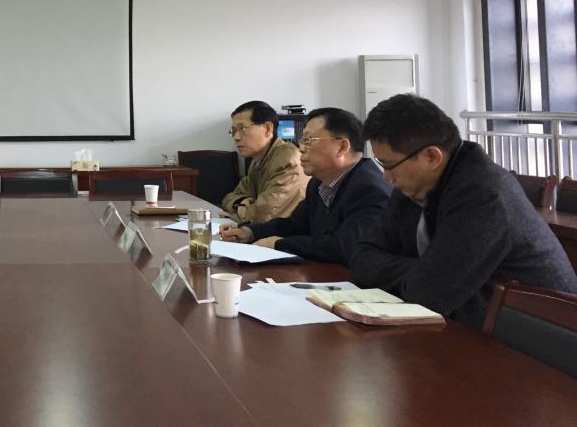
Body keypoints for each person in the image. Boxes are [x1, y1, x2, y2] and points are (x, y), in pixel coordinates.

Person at [352, 93, 577, 330]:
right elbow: (361, 258)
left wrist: (424, 274)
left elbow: (428, 294)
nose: (386, 177)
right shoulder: (412, 184)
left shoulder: (483, 194)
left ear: (431, 156)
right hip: (469, 323)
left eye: (389, 165)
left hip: (541, 337)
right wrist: (424, 268)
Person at [219, 107, 390, 265]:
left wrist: (279, 244)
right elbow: (294, 225)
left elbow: (344, 247)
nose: (300, 148)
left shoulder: (369, 188)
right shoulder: (318, 183)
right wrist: (249, 232)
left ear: (342, 147)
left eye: (309, 140)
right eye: (302, 140)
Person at [219, 100, 306, 224]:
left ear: (268, 129)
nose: (236, 137)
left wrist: (234, 213)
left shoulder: (288, 161)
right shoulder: (258, 160)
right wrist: (240, 202)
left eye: (243, 128)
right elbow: (230, 197)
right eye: (233, 131)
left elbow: (263, 216)